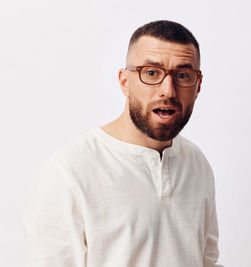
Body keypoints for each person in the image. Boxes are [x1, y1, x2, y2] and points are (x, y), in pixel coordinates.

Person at [23, 20, 223, 267]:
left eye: (183, 75)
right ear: (125, 82)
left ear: (198, 85)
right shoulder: (69, 171)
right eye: (151, 73)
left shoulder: (197, 164)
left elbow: (208, 262)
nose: (168, 91)